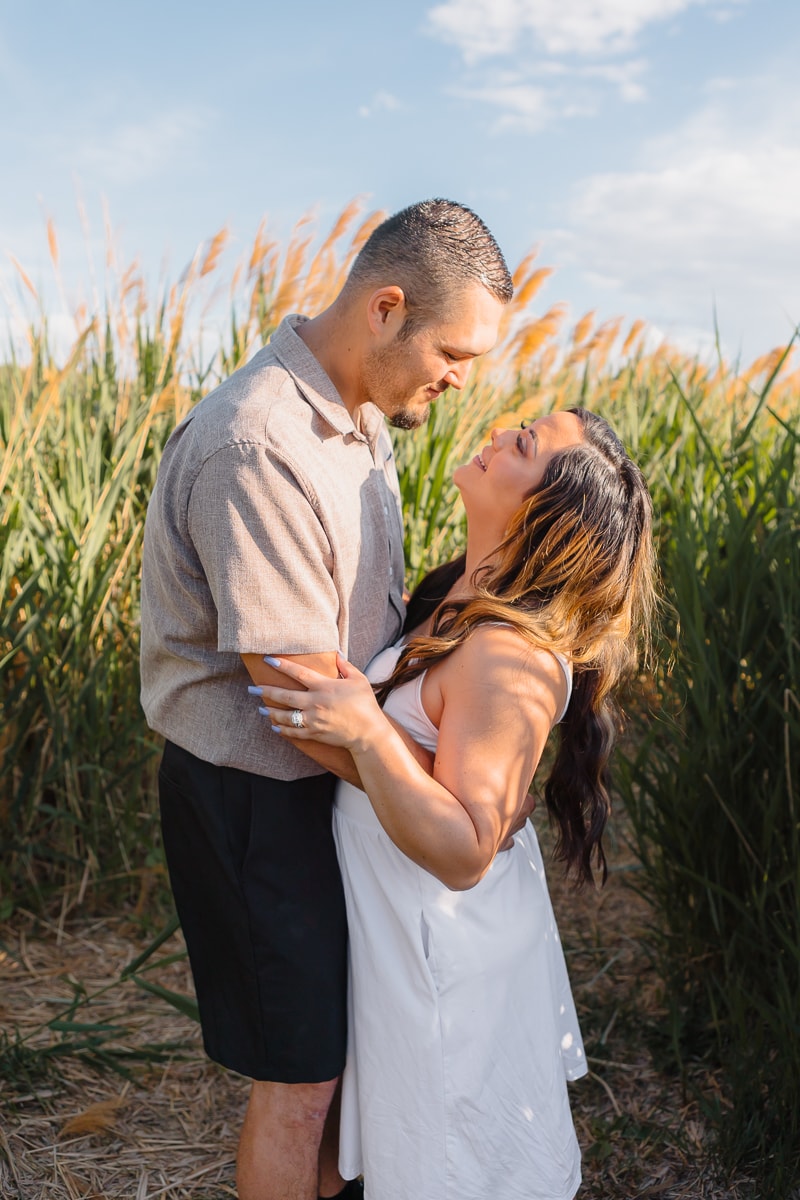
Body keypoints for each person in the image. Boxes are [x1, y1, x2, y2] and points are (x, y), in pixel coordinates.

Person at [139, 198, 513, 1200]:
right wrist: (440, 802)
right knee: (302, 1082)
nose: (460, 379)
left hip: (337, 788)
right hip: (258, 795)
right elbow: (296, 699)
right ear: (385, 308)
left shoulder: (359, 416)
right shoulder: (259, 446)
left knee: (349, 1071)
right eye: (453, 353)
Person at [252, 407, 657, 1200]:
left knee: (450, 1169)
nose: (501, 431)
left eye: (525, 443)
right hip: (399, 935)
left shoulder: (509, 656)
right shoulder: (457, 596)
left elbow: (468, 849)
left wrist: (366, 732)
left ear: (544, 516)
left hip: (442, 960)